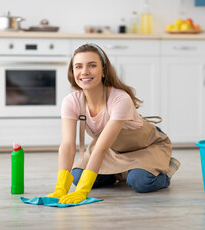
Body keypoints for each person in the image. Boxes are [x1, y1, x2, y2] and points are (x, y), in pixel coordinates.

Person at [46, 43, 180, 204]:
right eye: (78, 66)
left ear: (103, 70)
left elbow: (101, 147)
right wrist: (60, 188)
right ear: (72, 71)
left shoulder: (119, 99)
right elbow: (67, 145)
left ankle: (163, 169)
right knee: (77, 176)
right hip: (113, 149)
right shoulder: (71, 101)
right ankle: (119, 173)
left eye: (92, 65)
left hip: (146, 147)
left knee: (141, 182)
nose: (84, 72)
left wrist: (83, 191)